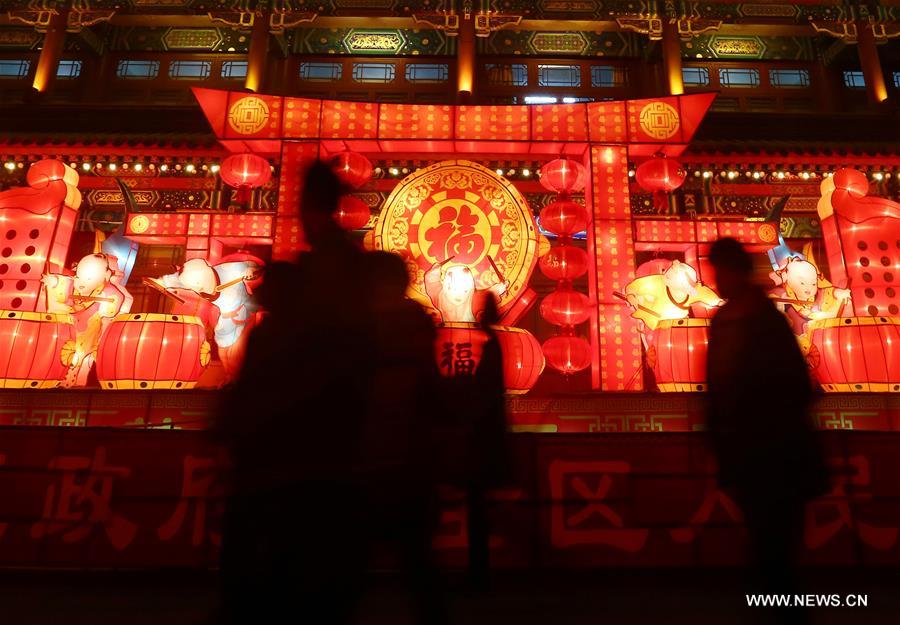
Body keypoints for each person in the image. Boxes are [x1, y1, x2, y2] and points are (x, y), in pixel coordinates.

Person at [216, 160, 373, 625]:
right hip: (332, 451)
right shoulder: (346, 274)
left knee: (279, 566)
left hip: (292, 450)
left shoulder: (317, 279)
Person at [705, 237, 829, 625]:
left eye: (719, 271)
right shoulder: (743, 318)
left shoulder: (745, 320)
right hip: (767, 449)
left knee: (771, 545)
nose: (717, 280)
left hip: (767, 449)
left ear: (732, 272)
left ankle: (779, 611)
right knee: (771, 544)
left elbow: (732, 389)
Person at [362, 250, 447, 625]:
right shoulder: (414, 322)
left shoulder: (360, 327)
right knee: (416, 557)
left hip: (376, 455)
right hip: (407, 456)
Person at [437, 294, 510, 590]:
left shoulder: (490, 347)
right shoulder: (491, 345)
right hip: (485, 436)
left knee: (477, 507)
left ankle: (479, 573)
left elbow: (483, 393)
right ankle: (479, 571)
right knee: (478, 507)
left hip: (480, 438)